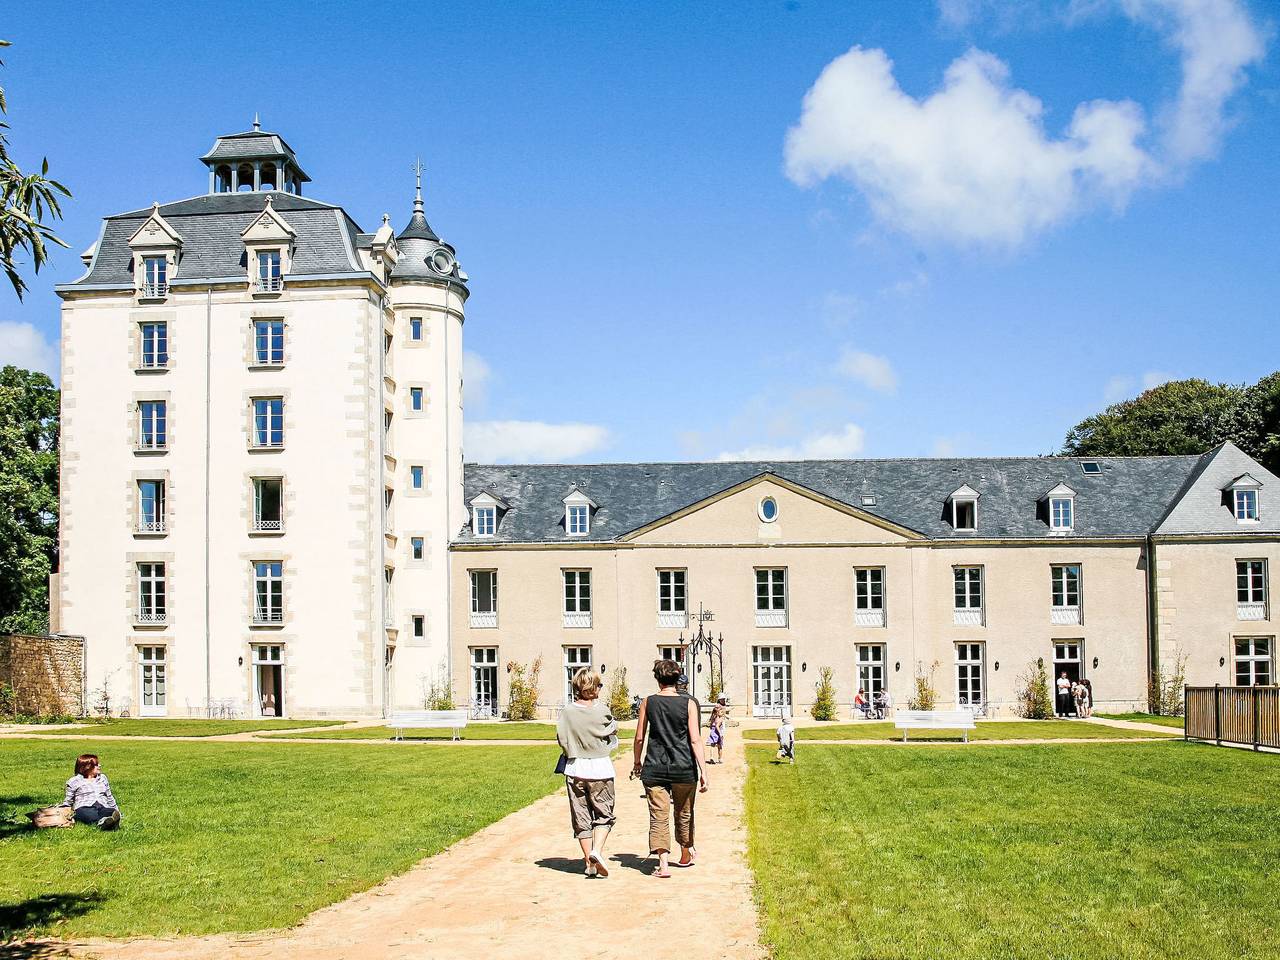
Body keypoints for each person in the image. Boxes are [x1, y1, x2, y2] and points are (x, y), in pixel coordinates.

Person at [633, 659, 707, 879]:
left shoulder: (648, 702)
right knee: (684, 811)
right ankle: (685, 853)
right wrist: (704, 771)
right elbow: (695, 740)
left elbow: (639, 737)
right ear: (677, 678)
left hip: (655, 766)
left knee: (658, 815)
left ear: (657, 678)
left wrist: (637, 761)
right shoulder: (689, 704)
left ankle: (663, 864)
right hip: (684, 766)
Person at [556, 668, 618, 878]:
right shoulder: (602, 711)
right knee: (603, 813)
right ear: (594, 687)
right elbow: (612, 732)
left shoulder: (567, 712)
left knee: (581, 816)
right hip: (600, 767)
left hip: (575, 768)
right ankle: (597, 851)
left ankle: (589, 863)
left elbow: (562, 739)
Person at [61, 754, 120, 829]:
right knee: (88, 814)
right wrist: (63, 813)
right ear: (86, 767)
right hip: (84, 807)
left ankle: (108, 821)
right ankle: (103, 823)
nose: (100, 765)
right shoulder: (74, 781)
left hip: (102, 806)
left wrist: (116, 810)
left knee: (110, 811)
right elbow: (68, 800)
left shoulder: (103, 778)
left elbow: (109, 796)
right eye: (96, 765)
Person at [706, 699, 726, 764]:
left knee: (712, 745)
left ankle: (711, 757)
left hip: (713, 732)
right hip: (718, 732)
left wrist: (711, 727)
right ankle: (720, 759)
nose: (723, 713)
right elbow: (717, 726)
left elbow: (711, 724)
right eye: (721, 712)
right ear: (718, 712)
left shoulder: (714, 717)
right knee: (720, 746)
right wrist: (720, 734)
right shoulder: (720, 718)